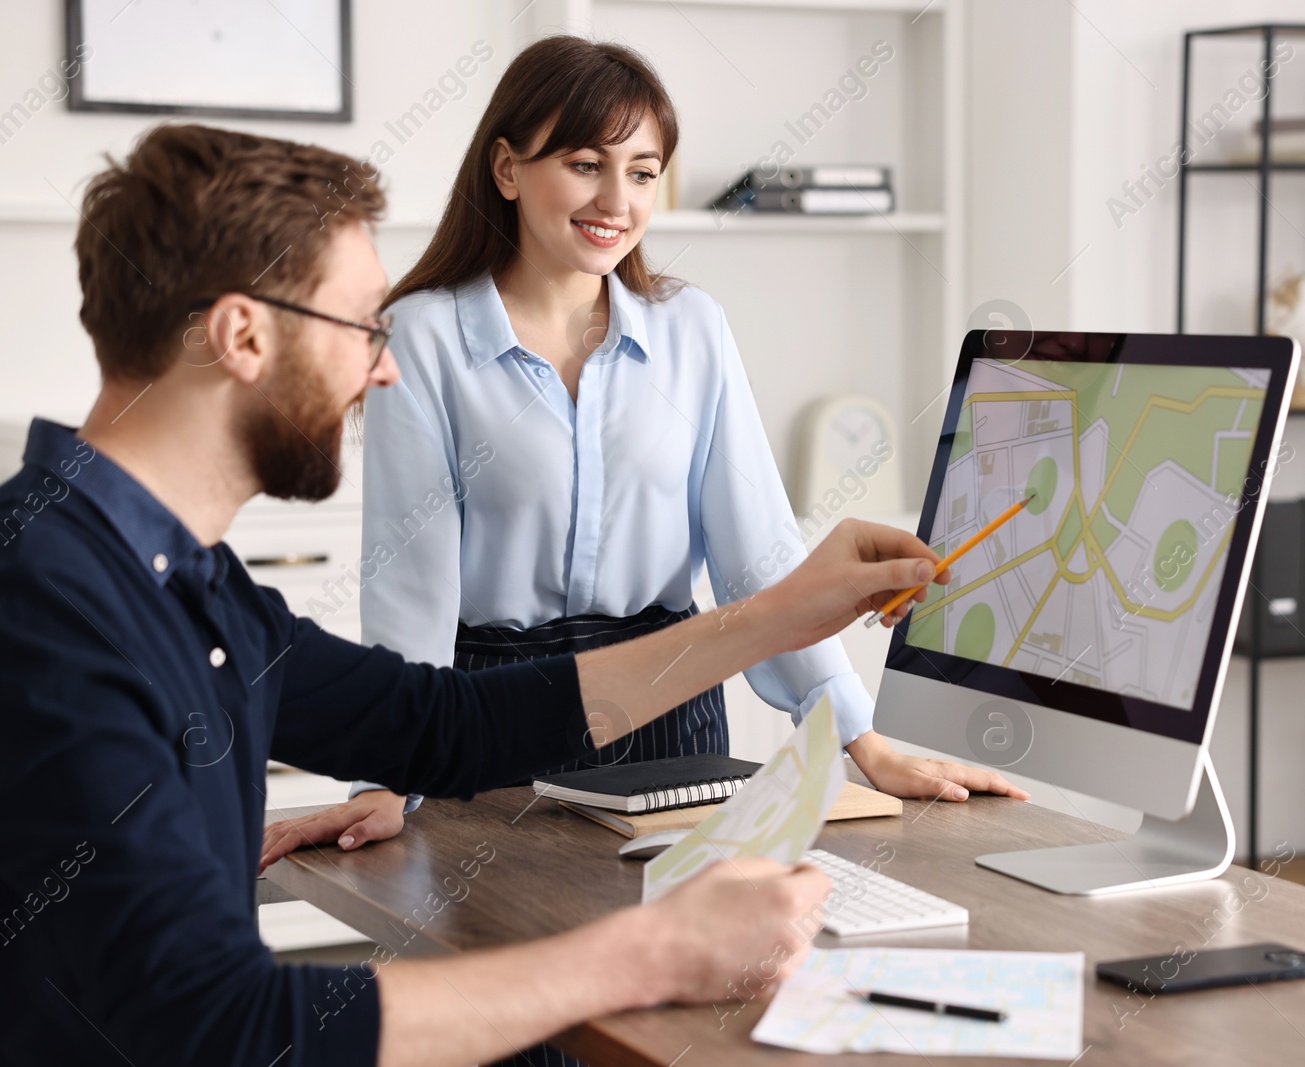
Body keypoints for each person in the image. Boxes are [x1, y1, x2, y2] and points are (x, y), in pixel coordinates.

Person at [0, 122, 965, 1067]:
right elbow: (218, 1023)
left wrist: (771, 618)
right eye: (361, 327)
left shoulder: (184, 581)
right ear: (241, 336)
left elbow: (442, 722)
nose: (383, 365)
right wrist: (654, 950)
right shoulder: (48, 610)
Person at [269, 35, 1024, 861]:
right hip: (493, 719)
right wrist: (384, 776)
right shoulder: (425, 335)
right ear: (508, 168)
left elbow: (758, 556)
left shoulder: (690, 328)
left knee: (675, 967)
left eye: (641, 171)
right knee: (505, 952)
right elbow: (408, 585)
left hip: (672, 700)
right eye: (586, 163)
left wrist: (861, 739)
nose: (616, 200)